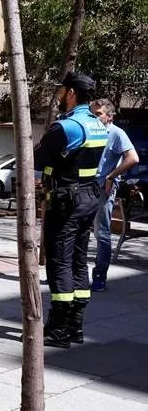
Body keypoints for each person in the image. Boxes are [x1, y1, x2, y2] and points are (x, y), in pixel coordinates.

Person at [34, 72, 108, 347]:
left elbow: (39, 157)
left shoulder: (68, 126)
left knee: (59, 262)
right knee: (78, 260)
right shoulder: (98, 124)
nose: (59, 94)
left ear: (72, 94)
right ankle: (75, 326)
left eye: (62, 90)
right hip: (88, 196)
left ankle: (58, 329)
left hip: (67, 200)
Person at [89, 98, 140, 292]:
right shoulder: (89, 131)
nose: (94, 118)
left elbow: (133, 158)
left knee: (102, 233)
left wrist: (111, 176)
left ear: (110, 116)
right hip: (84, 188)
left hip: (102, 189)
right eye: (92, 114)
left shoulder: (117, 134)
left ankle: (100, 276)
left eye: (98, 114)